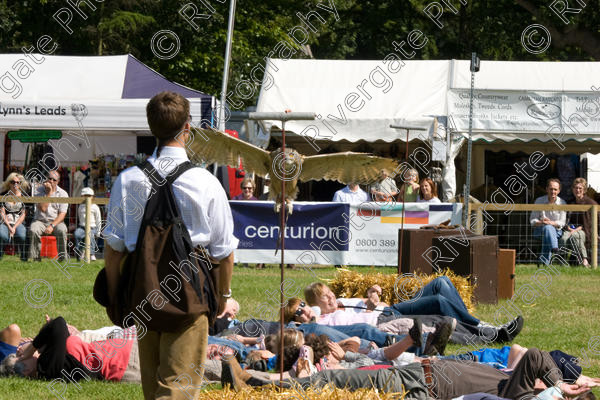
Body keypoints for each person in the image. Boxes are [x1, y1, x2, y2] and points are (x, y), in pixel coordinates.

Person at [103, 91, 238, 399]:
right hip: (190, 300)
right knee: (177, 390)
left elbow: (113, 251)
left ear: (152, 129)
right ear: (187, 128)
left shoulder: (126, 180)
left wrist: (115, 295)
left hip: (142, 295)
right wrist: (222, 295)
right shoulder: (206, 182)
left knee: (152, 390)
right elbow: (224, 252)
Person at [222, 347, 593, 400]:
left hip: (418, 386)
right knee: (334, 379)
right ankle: (256, 382)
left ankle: (255, 388)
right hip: (418, 373)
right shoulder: (516, 383)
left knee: (334, 383)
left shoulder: (524, 395)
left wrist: (563, 386)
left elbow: (537, 357)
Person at [3, 316, 139, 382]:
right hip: (123, 361)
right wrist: (32, 348)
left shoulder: (49, 362)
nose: (23, 353)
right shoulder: (47, 368)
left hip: (120, 350)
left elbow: (58, 331)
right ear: (26, 370)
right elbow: (59, 324)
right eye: (20, 357)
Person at [29, 170, 69, 261]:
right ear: (46, 179)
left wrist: (52, 225)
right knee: (33, 229)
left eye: (54, 180)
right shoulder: (38, 190)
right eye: (49, 178)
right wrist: (49, 194)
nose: (51, 181)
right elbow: (42, 208)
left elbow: (62, 214)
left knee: (62, 230)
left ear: (58, 181)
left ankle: (63, 259)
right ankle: (35, 259)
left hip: (56, 222)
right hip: (40, 221)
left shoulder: (63, 194)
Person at [561, 177, 596, 267]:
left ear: (584, 190)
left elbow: (590, 224)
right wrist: (568, 227)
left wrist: (577, 229)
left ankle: (584, 260)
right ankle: (562, 262)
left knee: (575, 236)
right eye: (575, 188)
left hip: (586, 231)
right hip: (570, 229)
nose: (577, 190)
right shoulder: (570, 203)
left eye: (580, 188)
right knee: (563, 238)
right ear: (572, 189)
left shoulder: (591, 203)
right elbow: (566, 219)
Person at [531, 178, 566, 265]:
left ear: (559, 191)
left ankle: (544, 263)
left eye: (555, 189)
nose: (553, 191)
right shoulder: (539, 201)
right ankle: (554, 248)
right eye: (551, 189)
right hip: (539, 230)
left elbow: (562, 222)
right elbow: (532, 220)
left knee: (548, 229)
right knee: (547, 228)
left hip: (557, 231)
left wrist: (550, 223)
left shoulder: (562, 203)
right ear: (546, 189)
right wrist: (542, 222)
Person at [0, 173, 30, 261]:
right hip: (5, 222)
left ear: (20, 184)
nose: (15, 184)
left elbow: (23, 214)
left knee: (22, 236)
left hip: (19, 223)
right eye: (13, 182)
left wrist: (14, 227)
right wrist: (9, 226)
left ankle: (24, 258)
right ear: (9, 183)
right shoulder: (3, 195)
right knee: (2, 235)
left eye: (18, 182)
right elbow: (2, 213)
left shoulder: (24, 197)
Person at [73, 187, 102, 261]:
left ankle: (91, 254)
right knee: (77, 234)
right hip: (82, 227)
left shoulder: (95, 207)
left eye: (89, 196)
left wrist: (98, 231)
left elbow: (98, 219)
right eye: (85, 196)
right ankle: (80, 252)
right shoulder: (81, 206)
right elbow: (80, 216)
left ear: (92, 197)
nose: (87, 198)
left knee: (90, 235)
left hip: (92, 227)